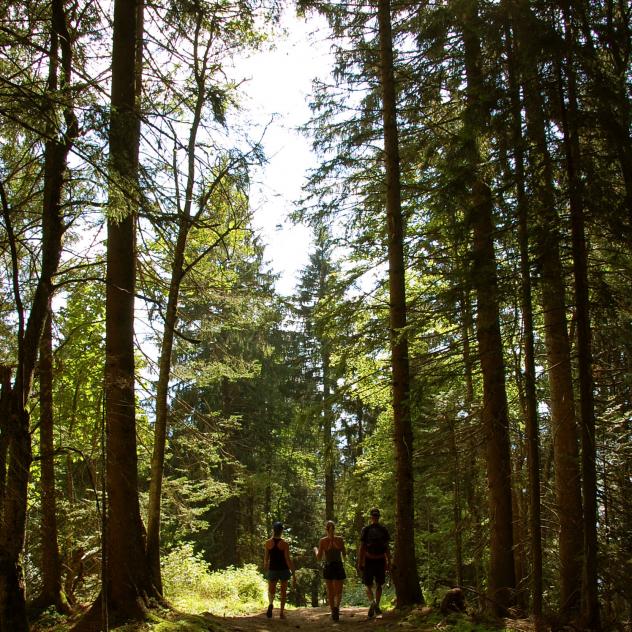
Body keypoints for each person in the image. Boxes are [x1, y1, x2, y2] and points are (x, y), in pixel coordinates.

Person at [358, 507, 390, 618]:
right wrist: (360, 561)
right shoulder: (366, 529)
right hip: (368, 560)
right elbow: (362, 547)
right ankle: (374, 604)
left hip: (380, 559)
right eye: (374, 516)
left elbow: (386, 547)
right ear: (371, 517)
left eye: (377, 516)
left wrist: (389, 561)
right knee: (368, 585)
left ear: (378, 517)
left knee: (379, 584)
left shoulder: (383, 530)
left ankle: (376, 604)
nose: (375, 517)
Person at [314, 520, 347, 621]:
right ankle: (337, 608)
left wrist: (315, 550)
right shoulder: (340, 540)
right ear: (334, 529)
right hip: (338, 566)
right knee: (339, 591)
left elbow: (319, 558)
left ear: (326, 529)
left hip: (328, 566)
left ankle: (333, 611)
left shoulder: (323, 541)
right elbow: (345, 555)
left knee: (330, 591)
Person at [263, 521, 295, 619]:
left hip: (272, 569)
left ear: (273, 530)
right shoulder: (284, 544)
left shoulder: (268, 543)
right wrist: (293, 572)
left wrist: (266, 569)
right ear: (281, 531)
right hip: (283, 570)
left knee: (271, 590)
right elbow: (287, 559)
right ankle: (281, 613)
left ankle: (271, 603)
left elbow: (266, 559)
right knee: (283, 592)